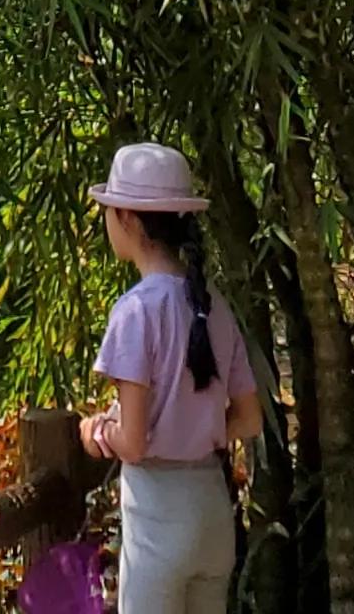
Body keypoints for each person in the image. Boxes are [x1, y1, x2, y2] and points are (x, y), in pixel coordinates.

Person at [79, 141, 265, 614]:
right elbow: (250, 418)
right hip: (211, 512)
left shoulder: (136, 312)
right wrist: (196, 429)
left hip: (158, 518)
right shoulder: (215, 305)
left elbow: (135, 442)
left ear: (128, 219)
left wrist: (98, 429)